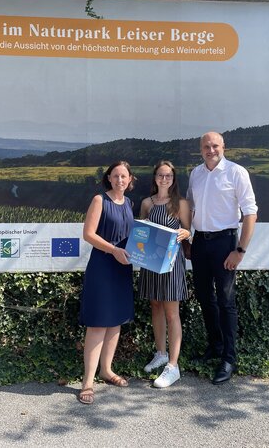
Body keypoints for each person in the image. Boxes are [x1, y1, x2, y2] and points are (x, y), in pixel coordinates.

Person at [187, 131, 257, 384]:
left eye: (215, 145)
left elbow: (250, 213)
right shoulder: (195, 174)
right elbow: (189, 208)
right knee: (206, 298)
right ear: (200, 149)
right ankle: (215, 347)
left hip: (225, 243)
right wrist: (187, 240)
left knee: (226, 301)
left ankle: (229, 357)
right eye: (206, 146)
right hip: (200, 243)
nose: (210, 149)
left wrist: (239, 250)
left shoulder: (237, 173)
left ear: (223, 146)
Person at [78, 161, 136, 404]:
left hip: (123, 268)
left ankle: (107, 370)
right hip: (103, 267)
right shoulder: (100, 200)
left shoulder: (131, 203)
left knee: (115, 322)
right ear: (109, 179)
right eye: (115, 176)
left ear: (130, 179)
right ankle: (88, 382)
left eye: (124, 176)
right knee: (98, 323)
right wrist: (113, 250)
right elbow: (88, 234)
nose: (120, 180)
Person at [138, 160, 191, 388]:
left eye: (168, 176)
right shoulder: (147, 203)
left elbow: (188, 231)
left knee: (172, 313)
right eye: (160, 175)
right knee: (156, 306)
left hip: (171, 263)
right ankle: (160, 353)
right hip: (151, 261)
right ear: (155, 177)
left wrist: (185, 232)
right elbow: (142, 231)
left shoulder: (181, 203)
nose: (164, 179)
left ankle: (173, 365)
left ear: (173, 178)